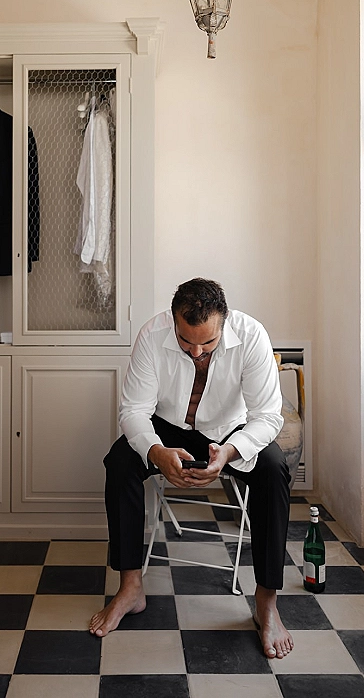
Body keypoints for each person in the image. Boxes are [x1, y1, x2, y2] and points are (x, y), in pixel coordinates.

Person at [89, 278, 294, 659]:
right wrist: (155, 451)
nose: (197, 351)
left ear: (225, 322)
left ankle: (266, 603)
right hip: (168, 426)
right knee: (119, 462)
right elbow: (134, 411)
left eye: (208, 343)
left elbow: (267, 416)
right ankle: (131, 586)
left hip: (229, 429)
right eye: (186, 341)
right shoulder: (152, 335)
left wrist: (231, 453)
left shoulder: (251, 336)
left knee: (274, 469)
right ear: (173, 321)